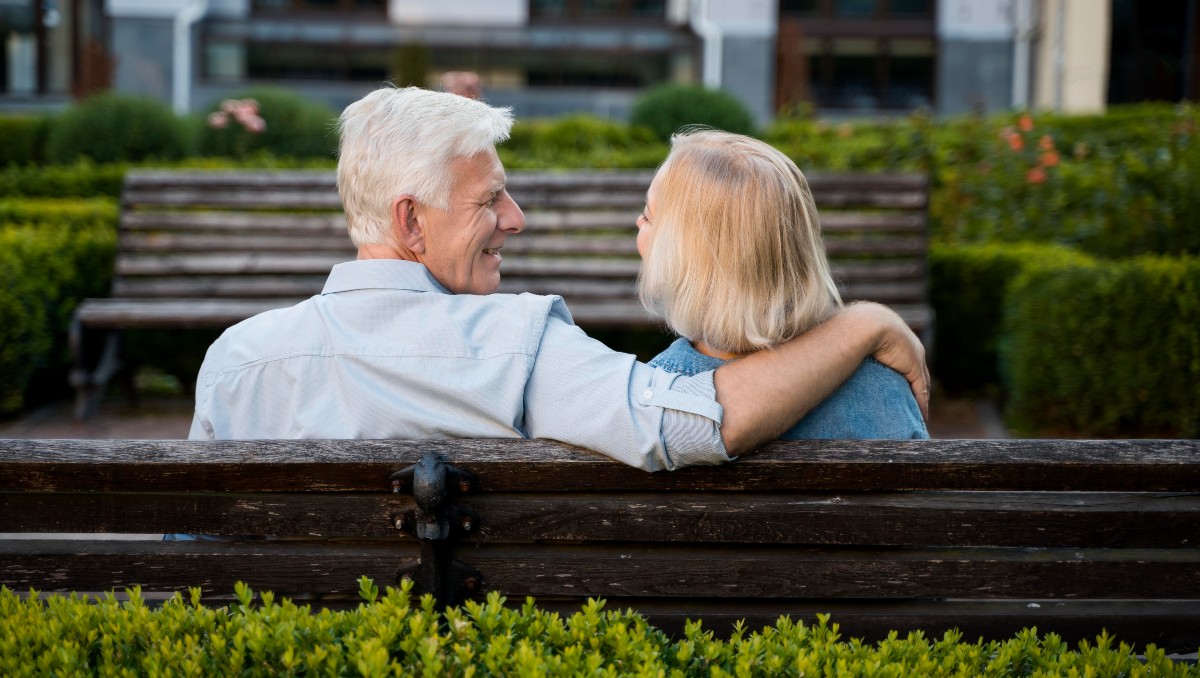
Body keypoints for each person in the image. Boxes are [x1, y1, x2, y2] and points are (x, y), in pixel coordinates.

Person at [188, 86, 929, 471]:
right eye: (490, 199)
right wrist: (865, 322)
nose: (515, 218)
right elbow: (692, 422)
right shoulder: (523, 348)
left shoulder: (233, 362)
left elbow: (191, 558)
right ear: (411, 223)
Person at [640, 129, 927, 439]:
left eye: (648, 216)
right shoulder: (884, 389)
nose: (638, 222)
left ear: (682, 261)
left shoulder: (659, 397)